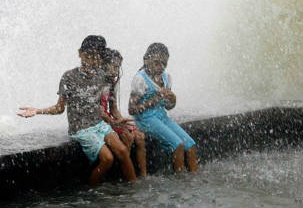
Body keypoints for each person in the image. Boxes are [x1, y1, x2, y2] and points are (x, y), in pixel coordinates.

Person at [17, 35, 137, 185]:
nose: (90, 62)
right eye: (87, 56)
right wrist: (38, 111)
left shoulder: (103, 76)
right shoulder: (69, 77)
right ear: (79, 53)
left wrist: (115, 121)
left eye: (95, 58)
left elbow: (105, 107)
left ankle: (134, 188)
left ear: (100, 59)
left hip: (99, 125)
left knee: (123, 152)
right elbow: (60, 108)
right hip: (81, 129)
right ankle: (94, 193)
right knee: (107, 159)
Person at [129, 43, 199, 173]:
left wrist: (173, 100)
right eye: (156, 63)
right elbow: (131, 109)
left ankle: (194, 178)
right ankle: (180, 181)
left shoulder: (166, 77)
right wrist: (153, 100)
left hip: (162, 116)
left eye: (164, 64)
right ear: (146, 59)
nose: (160, 67)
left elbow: (168, 106)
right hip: (145, 120)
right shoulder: (140, 79)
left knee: (190, 145)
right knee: (178, 145)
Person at [100, 48, 147, 178]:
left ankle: (143, 175)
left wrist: (122, 121)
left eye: (118, 67)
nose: (116, 71)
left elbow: (114, 108)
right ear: (104, 64)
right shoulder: (96, 82)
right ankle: (123, 175)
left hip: (110, 118)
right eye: (114, 66)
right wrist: (115, 123)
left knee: (139, 136)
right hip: (101, 120)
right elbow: (99, 112)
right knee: (128, 137)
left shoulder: (113, 82)